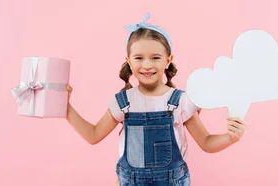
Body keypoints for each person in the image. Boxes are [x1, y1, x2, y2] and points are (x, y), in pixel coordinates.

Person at [65, 12, 247, 186]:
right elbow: (93, 135)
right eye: (139, 58)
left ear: (168, 60)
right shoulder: (123, 102)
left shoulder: (181, 101)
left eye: (155, 58)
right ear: (128, 61)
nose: (147, 65)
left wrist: (231, 138)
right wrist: (66, 107)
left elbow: (206, 142)